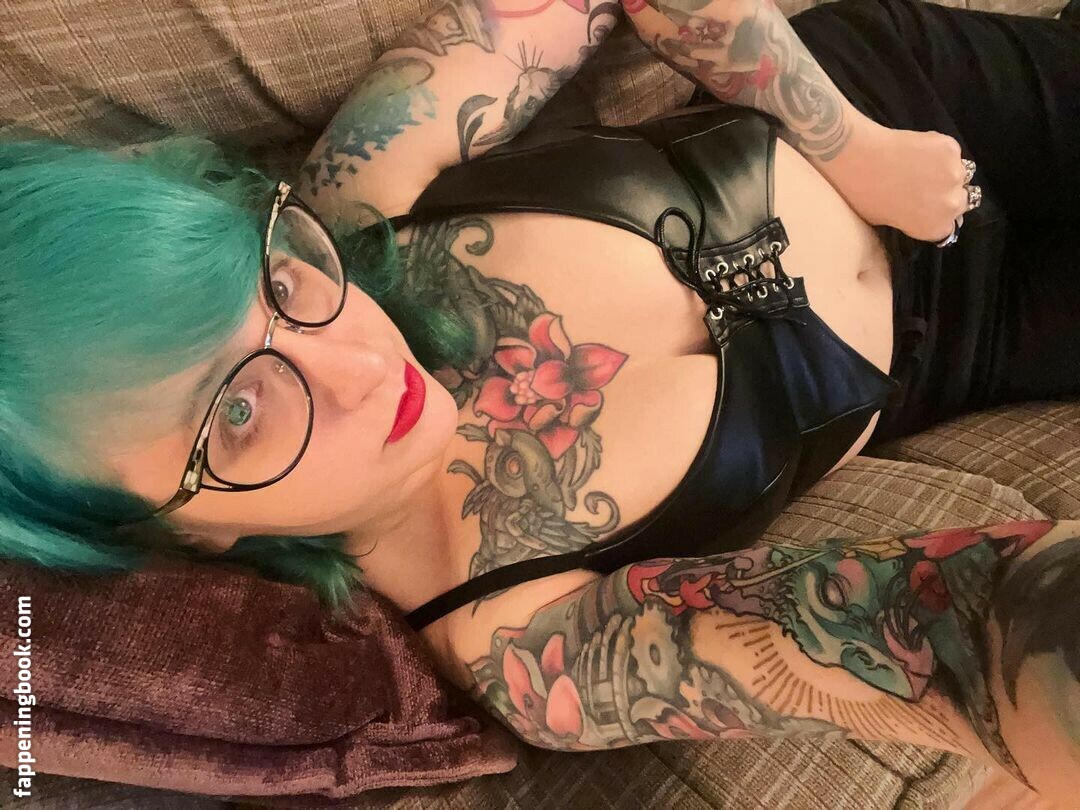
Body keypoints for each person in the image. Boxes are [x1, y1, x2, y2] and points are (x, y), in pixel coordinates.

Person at [0, 0, 1078, 801]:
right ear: (178, 533)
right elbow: (948, 635)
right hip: (974, 337)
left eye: (276, 281)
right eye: (240, 412)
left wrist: (855, 146)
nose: (357, 362)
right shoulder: (519, 640)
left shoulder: (354, 204)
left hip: (892, 95)